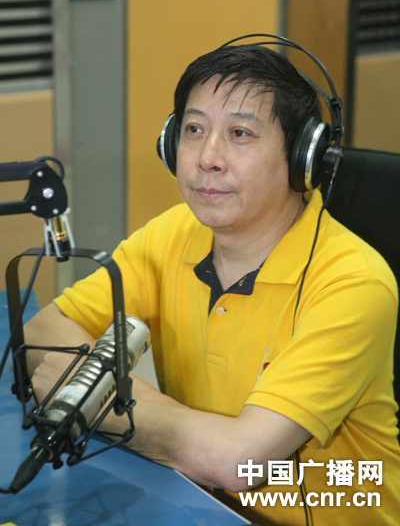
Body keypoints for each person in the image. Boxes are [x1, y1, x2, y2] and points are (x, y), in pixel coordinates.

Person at [25, 43, 400, 526]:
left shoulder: (353, 283)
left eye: (240, 134)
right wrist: (160, 421)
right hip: (197, 506)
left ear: (303, 157)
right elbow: (43, 331)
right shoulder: (173, 232)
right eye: (194, 130)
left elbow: (239, 463)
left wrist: (98, 401)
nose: (207, 158)